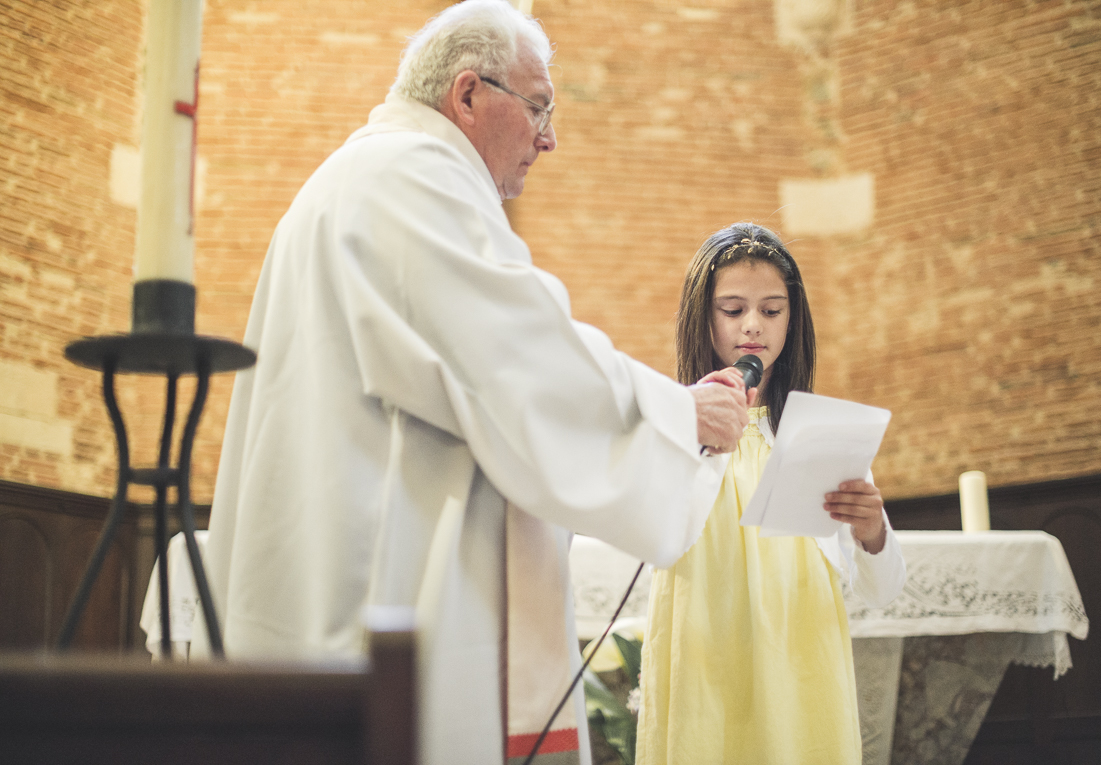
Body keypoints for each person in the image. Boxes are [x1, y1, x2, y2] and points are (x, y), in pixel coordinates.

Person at [195, 3, 750, 765]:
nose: (550, 137)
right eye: (539, 108)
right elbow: (521, 358)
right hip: (379, 595)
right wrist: (680, 411)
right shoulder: (409, 176)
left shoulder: (363, 175)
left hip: (339, 579)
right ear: (467, 95)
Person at [635, 223, 908, 765]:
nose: (753, 326)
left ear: (793, 318)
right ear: (702, 316)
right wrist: (686, 427)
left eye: (772, 309)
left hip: (801, 649)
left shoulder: (822, 431)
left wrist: (872, 531)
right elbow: (644, 528)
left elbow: (882, 592)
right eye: (733, 310)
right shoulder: (672, 420)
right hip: (706, 646)